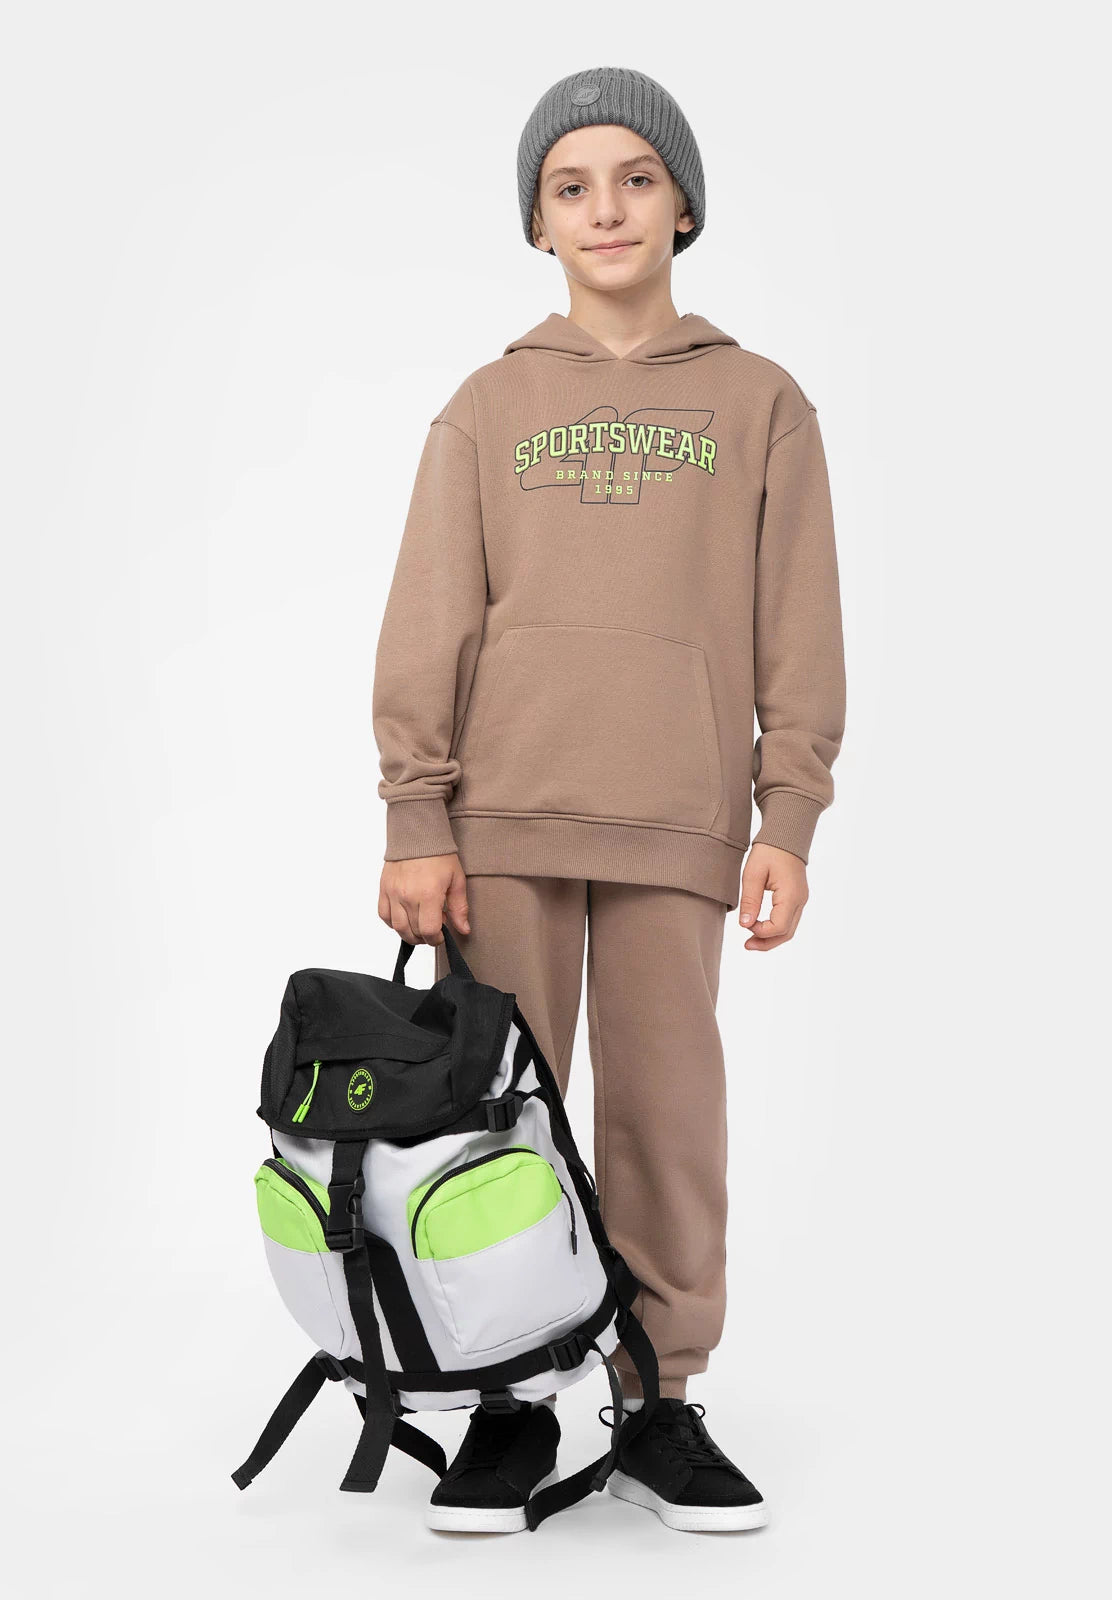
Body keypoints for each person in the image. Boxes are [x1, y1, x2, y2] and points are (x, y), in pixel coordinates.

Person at [370, 65, 846, 1534]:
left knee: (665, 1119)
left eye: (637, 178)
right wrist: (416, 817)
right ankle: (509, 1399)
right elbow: (430, 618)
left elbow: (799, 627)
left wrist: (787, 815)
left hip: (677, 817)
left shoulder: (760, 403)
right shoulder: (488, 404)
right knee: (496, 1123)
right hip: (504, 818)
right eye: (570, 186)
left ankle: (659, 1402)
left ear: (684, 203)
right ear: (537, 224)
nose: (606, 208)